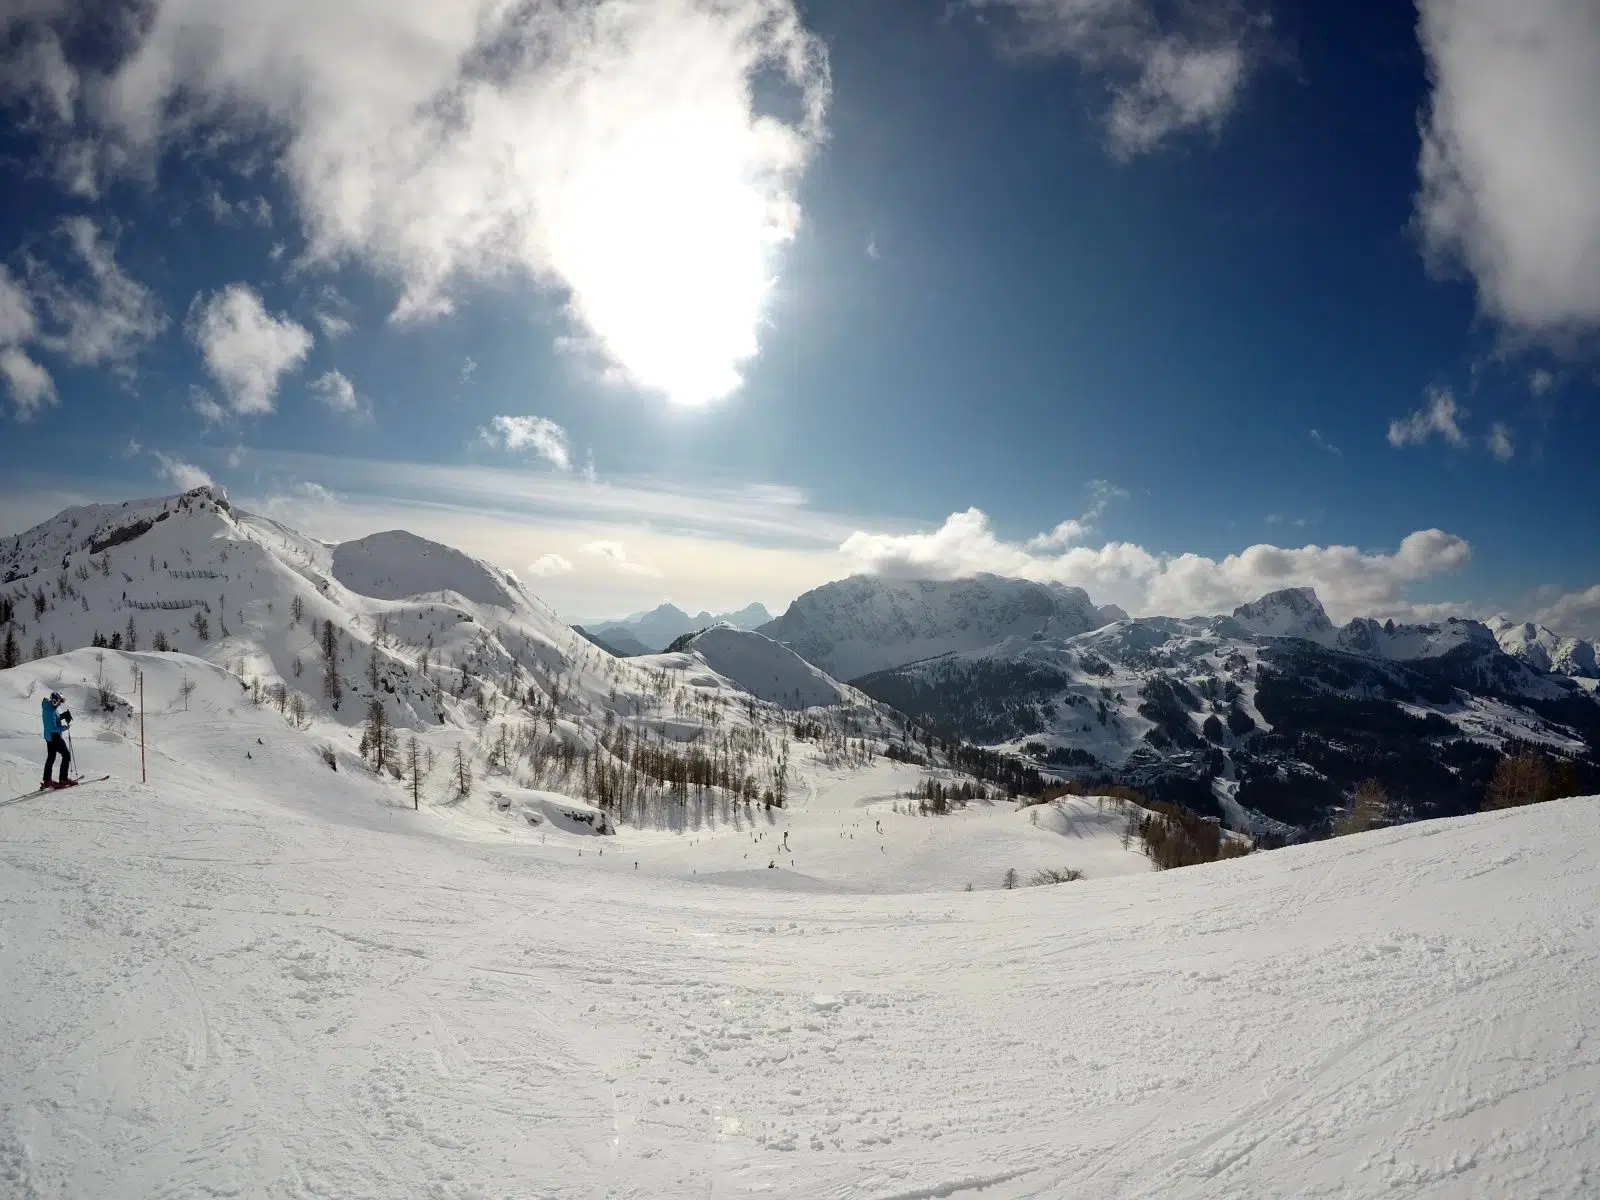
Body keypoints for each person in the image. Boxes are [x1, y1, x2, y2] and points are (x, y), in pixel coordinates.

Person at [41, 691, 73, 789]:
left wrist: (64, 715)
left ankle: (47, 780)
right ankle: (63, 779)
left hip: (49, 737)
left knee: (51, 757)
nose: (60, 704)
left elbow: (55, 718)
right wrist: (64, 728)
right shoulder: (49, 711)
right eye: (59, 702)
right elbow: (53, 727)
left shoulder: (50, 707)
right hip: (54, 736)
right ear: (55, 701)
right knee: (66, 755)